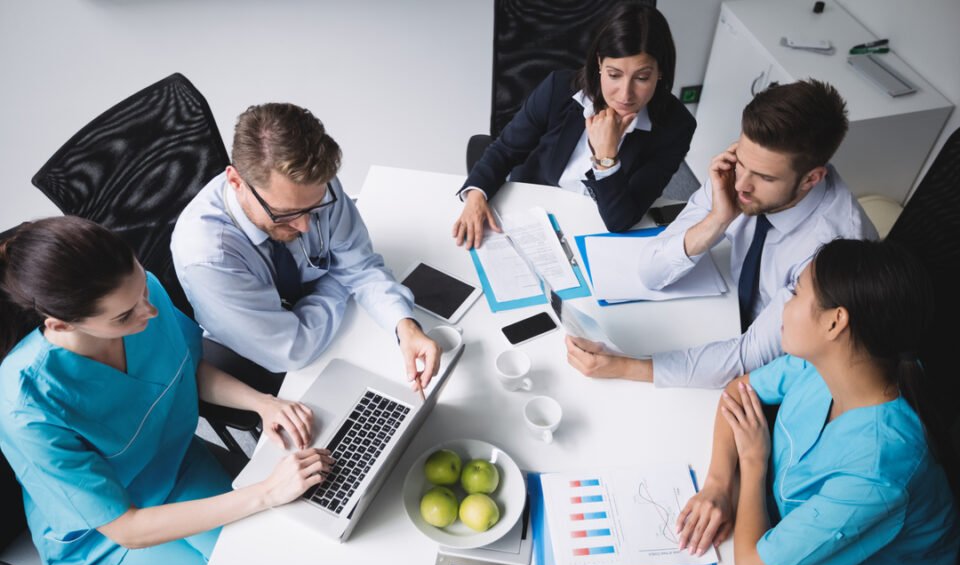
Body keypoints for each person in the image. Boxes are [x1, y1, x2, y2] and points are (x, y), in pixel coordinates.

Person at [0, 217, 333, 565]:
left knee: (283, 555)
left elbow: (183, 366)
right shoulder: (26, 405)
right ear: (60, 326)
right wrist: (266, 492)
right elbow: (126, 528)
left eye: (142, 287)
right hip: (104, 537)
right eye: (124, 316)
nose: (149, 310)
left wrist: (262, 404)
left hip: (176, 465)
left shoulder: (141, 295)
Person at [676, 239, 959, 565]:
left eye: (794, 293)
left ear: (835, 321)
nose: (783, 305)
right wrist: (717, 484)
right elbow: (738, 392)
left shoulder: (878, 469)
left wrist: (752, 462)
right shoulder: (832, 362)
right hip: (785, 537)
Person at [566, 79, 878, 388]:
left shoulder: (832, 249)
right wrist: (717, 219)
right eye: (742, 162)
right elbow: (651, 271)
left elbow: (750, 355)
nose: (742, 184)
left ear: (811, 179)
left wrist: (625, 366)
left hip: (792, 367)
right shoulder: (739, 174)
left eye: (764, 177)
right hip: (725, 313)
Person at [171, 103, 440, 389]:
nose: (305, 226)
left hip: (326, 326)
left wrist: (404, 325)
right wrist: (338, 278)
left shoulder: (312, 186)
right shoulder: (208, 258)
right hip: (263, 356)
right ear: (236, 182)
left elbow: (361, 267)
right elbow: (292, 350)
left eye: (314, 209)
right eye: (285, 213)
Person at [452, 2, 696, 248]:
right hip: (538, 210)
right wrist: (475, 195)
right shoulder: (558, 89)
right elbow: (505, 149)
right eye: (614, 75)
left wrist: (606, 157)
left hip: (598, 230)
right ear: (599, 63)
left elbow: (620, 220)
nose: (625, 94)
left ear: (660, 72)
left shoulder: (676, 127)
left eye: (642, 78)